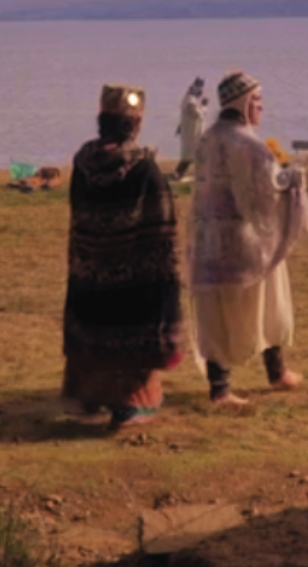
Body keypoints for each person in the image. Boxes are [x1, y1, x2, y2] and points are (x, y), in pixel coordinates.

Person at [187, 70, 308, 407]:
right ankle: (262, 378)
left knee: (217, 313)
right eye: (258, 101)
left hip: (209, 243)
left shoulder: (207, 139)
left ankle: (228, 384)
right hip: (247, 243)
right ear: (245, 103)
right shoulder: (248, 145)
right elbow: (269, 193)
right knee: (270, 304)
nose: (262, 107)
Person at [61, 83, 185, 430]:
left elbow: (79, 213)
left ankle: (89, 396)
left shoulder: (83, 163)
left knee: (94, 330)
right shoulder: (144, 170)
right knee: (131, 339)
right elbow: (161, 233)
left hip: (89, 270)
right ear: (134, 123)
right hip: (134, 278)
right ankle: (130, 403)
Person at [174, 77, 209, 182]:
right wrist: (204, 106)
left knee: (198, 155)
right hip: (192, 134)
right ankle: (178, 174)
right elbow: (197, 114)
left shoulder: (192, 100)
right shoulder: (190, 101)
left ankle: (203, 175)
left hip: (195, 133)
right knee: (189, 156)